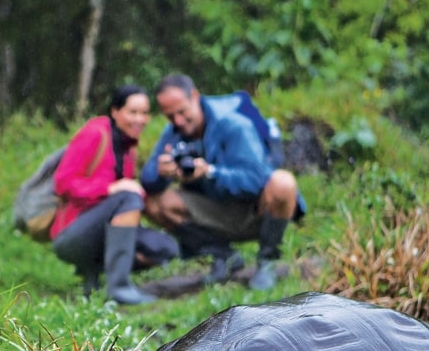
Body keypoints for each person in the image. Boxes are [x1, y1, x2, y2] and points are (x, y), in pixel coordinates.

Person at [140, 73, 306, 290]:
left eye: (182, 112)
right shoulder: (174, 132)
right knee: (147, 200)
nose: (178, 121)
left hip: (253, 211)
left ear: (195, 96)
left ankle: (268, 260)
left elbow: (257, 178)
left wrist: (210, 172)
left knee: (283, 183)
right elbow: (147, 178)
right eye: (170, 116)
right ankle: (225, 257)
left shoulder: (233, 125)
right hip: (212, 211)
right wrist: (161, 171)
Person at [50, 85, 178, 304]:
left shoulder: (128, 145)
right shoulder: (95, 133)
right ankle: (118, 286)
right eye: (133, 112)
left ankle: (93, 273)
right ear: (115, 111)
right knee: (129, 198)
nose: (140, 119)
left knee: (167, 248)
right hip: (71, 234)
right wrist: (110, 189)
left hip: (104, 226)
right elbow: (62, 183)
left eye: (145, 113)